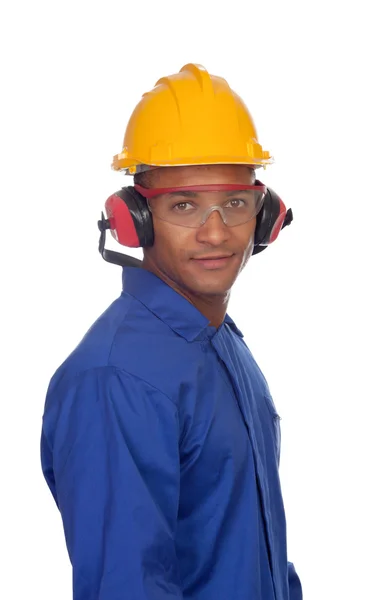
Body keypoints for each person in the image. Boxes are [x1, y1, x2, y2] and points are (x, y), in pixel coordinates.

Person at [40, 63, 303, 600]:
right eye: (184, 205)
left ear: (265, 214)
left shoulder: (222, 345)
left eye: (234, 203)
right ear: (134, 219)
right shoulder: (115, 380)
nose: (216, 232)